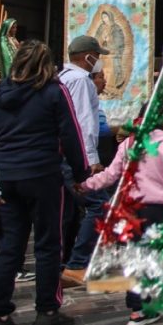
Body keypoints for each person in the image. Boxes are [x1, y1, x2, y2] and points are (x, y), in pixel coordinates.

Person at [0, 40, 89, 325]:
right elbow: (71, 133)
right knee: (49, 244)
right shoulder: (53, 91)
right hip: (43, 174)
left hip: (9, 175)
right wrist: (80, 173)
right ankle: (47, 310)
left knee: (11, 245)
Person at [79, 108, 163, 325]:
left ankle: (138, 310)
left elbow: (110, 175)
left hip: (132, 210)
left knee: (136, 258)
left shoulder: (128, 144)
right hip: (161, 209)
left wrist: (85, 185)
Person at [59, 35, 109, 287]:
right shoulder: (80, 80)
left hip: (61, 154)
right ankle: (77, 263)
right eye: (97, 56)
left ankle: (64, 261)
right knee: (98, 205)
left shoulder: (62, 78)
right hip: (76, 156)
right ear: (88, 56)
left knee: (67, 211)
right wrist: (91, 158)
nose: (98, 62)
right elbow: (83, 122)